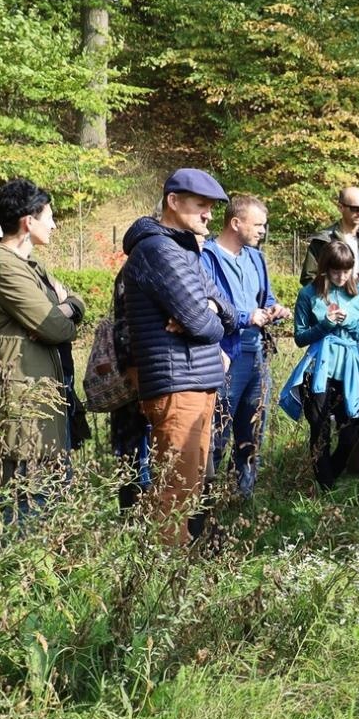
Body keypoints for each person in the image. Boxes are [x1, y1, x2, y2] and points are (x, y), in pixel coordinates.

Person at [122, 169, 235, 546]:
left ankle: (175, 569)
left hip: (197, 380)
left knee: (190, 488)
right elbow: (203, 323)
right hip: (176, 384)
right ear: (173, 201)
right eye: (200, 205)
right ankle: (160, 578)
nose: (208, 215)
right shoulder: (158, 250)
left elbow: (229, 313)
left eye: (211, 208)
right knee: (175, 489)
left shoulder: (182, 248)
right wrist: (206, 316)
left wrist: (208, 312)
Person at [0, 180, 85, 526]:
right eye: (49, 215)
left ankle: (45, 574)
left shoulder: (29, 266)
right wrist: (63, 308)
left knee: (51, 497)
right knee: (25, 502)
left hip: (42, 400)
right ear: (27, 221)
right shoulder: (4, 269)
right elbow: (56, 327)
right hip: (23, 406)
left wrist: (68, 305)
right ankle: (20, 577)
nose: (54, 224)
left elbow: (73, 303)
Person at [201, 194, 288, 500]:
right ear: (235, 223)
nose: (263, 231)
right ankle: (206, 500)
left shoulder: (256, 258)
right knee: (218, 430)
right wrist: (245, 317)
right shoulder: (207, 257)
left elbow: (267, 298)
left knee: (253, 430)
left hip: (258, 355)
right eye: (258, 224)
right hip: (226, 355)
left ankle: (243, 497)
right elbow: (207, 306)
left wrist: (275, 310)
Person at [282, 238, 359, 487]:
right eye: (336, 271)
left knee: (351, 430)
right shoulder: (308, 294)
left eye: (347, 271)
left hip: (349, 369)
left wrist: (348, 323)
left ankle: (333, 473)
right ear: (325, 267)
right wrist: (326, 324)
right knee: (319, 429)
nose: (342, 276)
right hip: (318, 370)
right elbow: (301, 338)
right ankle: (325, 486)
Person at [302, 186, 359, 370]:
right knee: (324, 375)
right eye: (355, 208)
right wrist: (331, 291)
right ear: (341, 207)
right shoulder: (323, 240)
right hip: (328, 317)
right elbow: (308, 278)